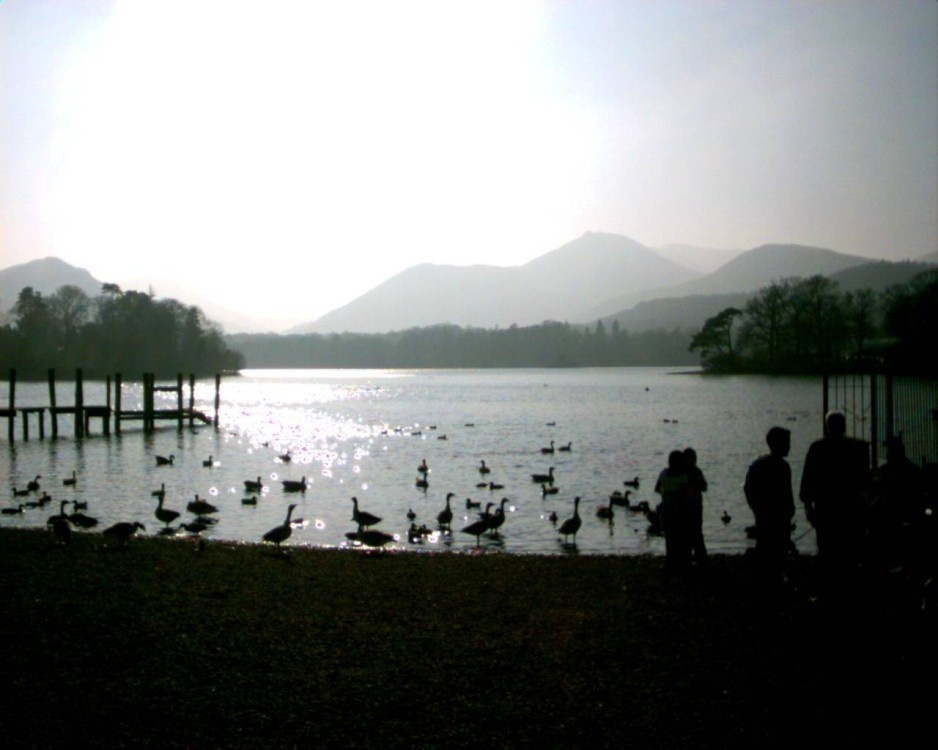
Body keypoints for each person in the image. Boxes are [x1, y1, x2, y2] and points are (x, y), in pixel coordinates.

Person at [799, 411, 871, 581]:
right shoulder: (858, 447)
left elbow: (808, 478)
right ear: (844, 425)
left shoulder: (817, 448)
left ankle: (828, 586)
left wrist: (808, 504)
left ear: (827, 426)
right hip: (850, 506)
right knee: (850, 549)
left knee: (826, 549)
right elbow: (865, 480)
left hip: (826, 506)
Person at [744, 427, 794, 581]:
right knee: (778, 552)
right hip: (779, 516)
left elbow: (748, 489)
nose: (789, 447)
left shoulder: (756, 464)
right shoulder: (782, 467)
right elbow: (786, 493)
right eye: (787, 443)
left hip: (763, 515)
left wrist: (756, 508)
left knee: (765, 547)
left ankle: (765, 581)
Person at [655, 450, 692, 572]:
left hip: (666, 508)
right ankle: (683, 563)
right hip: (679, 509)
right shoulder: (683, 476)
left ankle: (670, 562)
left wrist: (666, 494)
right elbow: (686, 493)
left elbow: (657, 488)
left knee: (669, 538)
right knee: (681, 537)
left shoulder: (663, 474)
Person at [684, 447, 708, 565]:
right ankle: (688, 557)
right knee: (687, 532)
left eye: (694, 458)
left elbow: (704, 487)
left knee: (696, 532)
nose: (694, 460)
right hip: (686, 506)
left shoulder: (697, 471)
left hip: (696, 505)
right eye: (691, 458)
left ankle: (700, 556)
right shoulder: (682, 472)